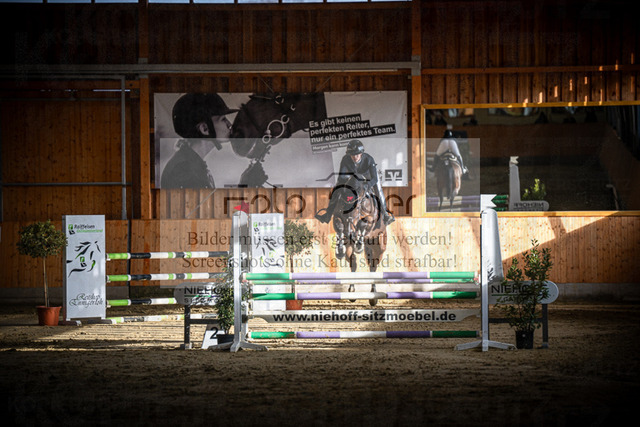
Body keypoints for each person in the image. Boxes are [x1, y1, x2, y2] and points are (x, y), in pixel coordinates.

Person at [160, 93, 237, 189]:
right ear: (205, 129)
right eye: (223, 119)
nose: (229, 124)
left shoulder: (190, 164)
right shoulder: (185, 171)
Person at [315, 139, 395, 225]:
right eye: (352, 155)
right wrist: (344, 185)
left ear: (361, 154)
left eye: (357, 155)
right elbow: (341, 177)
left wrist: (368, 185)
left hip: (368, 177)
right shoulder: (345, 159)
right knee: (337, 187)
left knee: (378, 189)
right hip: (354, 177)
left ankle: (385, 214)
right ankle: (328, 214)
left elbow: (374, 179)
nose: (355, 157)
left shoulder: (369, 159)